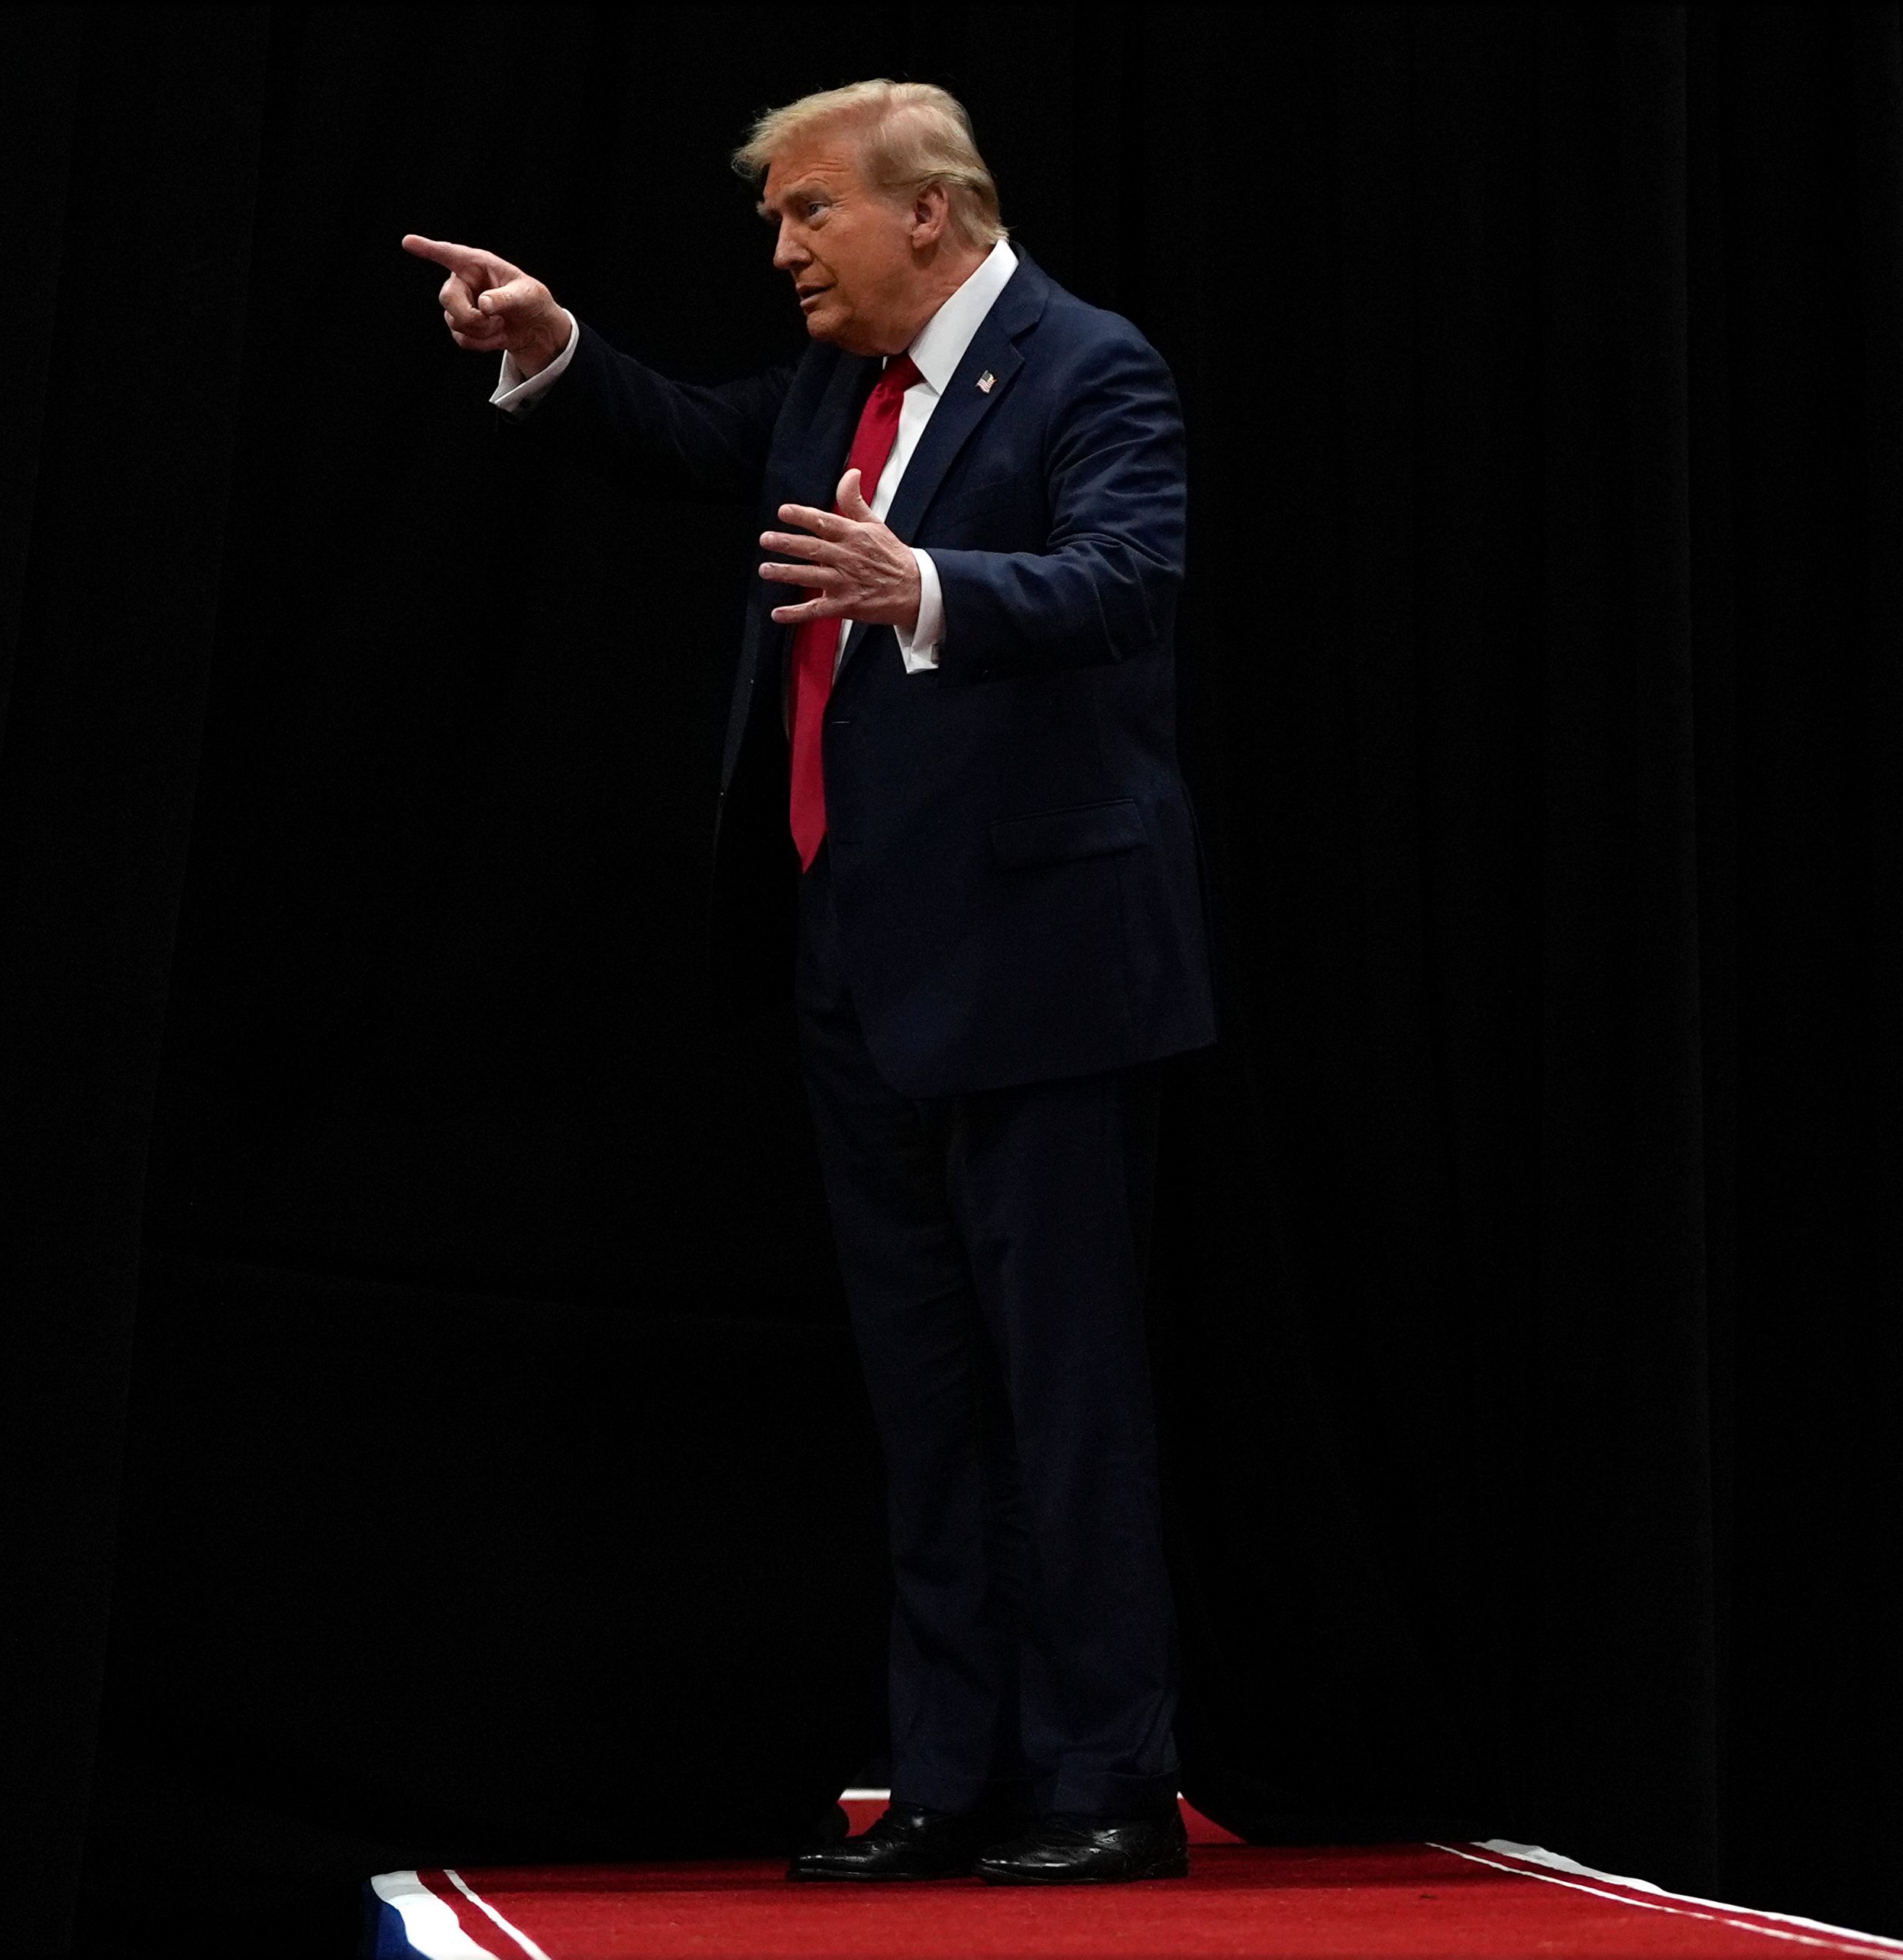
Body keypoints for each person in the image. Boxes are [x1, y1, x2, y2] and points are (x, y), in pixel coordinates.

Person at [405, 78, 1215, 1887]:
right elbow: (700, 438)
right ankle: (947, 1774)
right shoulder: (838, 390)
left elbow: (1129, 577)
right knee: (922, 1388)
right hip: (858, 964)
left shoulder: (1092, 368)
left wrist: (924, 582)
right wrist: (556, 350)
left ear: (931, 211)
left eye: (807, 215)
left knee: (1059, 1388)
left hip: (1046, 974)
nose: (782, 249)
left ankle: (1107, 1778)